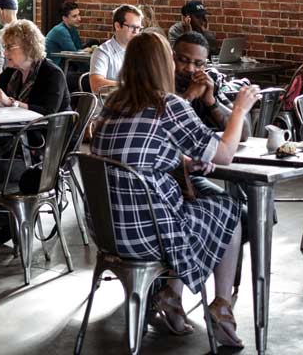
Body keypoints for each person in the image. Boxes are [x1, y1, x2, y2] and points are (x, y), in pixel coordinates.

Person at [91, 32, 261, 347]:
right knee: (230, 211)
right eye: (172, 57)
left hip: (109, 232)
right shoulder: (167, 104)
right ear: (162, 64)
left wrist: (183, 162)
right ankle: (221, 306)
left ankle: (171, 296)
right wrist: (239, 109)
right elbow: (224, 154)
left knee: (197, 206)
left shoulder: (113, 105)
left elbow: (137, 153)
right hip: (149, 233)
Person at [0, 20, 71, 246]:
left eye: (10, 47)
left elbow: (47, 113)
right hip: (13, 146)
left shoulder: (52, 74)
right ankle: (1, 226)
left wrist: (11, 102)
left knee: (2, 171)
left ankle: (20, 227)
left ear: (28, 46)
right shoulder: (11, 74)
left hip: (42, 152)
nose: (5, 52)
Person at [174, 32, 251, 138]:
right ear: (172, 58)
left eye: (198, 63)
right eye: (183, 60)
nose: (190, 69)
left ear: (204, 65)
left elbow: (244, 134)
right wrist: (189, 96)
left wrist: (211, 102)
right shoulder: (161, 83)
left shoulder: (207, 84)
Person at [89, 4, 142, 95]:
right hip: (111, 105)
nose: (136, 32)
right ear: (117, 26)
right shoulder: (103, 52)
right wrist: (130, 87)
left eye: (138, 28)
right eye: (132, 27)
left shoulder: (141, 51)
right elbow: (96, 85)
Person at [45, 1, 84, 67]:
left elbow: (79, 48)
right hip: (55, 68)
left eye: (79, 15)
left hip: (65, 64)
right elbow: (74, 55)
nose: (79, 18)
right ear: (64, 18)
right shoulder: (60, 30)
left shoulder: (73, 28)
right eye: (74, 16)